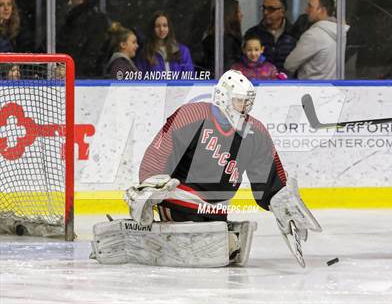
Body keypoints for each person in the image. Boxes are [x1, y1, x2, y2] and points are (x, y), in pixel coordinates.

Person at [90, 70, 322, 267]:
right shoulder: (192, 115)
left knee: (226, 244)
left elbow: (269, 176)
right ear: (223, 97)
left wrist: (280, 200)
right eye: (239, 100)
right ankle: (138, 237)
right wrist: (151, 186)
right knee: (209, 241)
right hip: (179, 201)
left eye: (248, 102)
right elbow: (158, 153)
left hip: (217, 211)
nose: (244, 107)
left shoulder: (255, 133)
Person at [284, 0, 349, 79]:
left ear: (322, 10)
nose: (306, 10)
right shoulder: (340, 32)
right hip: (333, 89)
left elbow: (289, 64)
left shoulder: (313, 35)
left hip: (311, 89)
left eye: (310, 6)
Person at [56, 0, 110, 78]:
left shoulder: (85, 19)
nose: (69, 2)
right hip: (85, 74)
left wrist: (70, 69)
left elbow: (90, 52)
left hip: (85, 76)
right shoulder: (76, 18)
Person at [244, 0, 296, 75]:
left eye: (271, 9)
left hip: (289, 83)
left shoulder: (294, 33)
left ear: (282, 12)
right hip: (260, 82)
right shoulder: (252, 33)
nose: (265, 12)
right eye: (264, 8)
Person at [137, 11, 194, 78]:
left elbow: (189, 76)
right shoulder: (145, 53)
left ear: (169, 28)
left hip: (178, 88)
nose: (161, 29)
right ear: (152, 29)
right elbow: (141, 80)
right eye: (157, 26)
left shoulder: (183, 51)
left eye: (165, 25)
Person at [201, 0, 243, 76]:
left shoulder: (212, 38)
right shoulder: (226, 40)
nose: (241, 15)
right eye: (238, 11)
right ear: (230, 15)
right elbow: (228, 68)